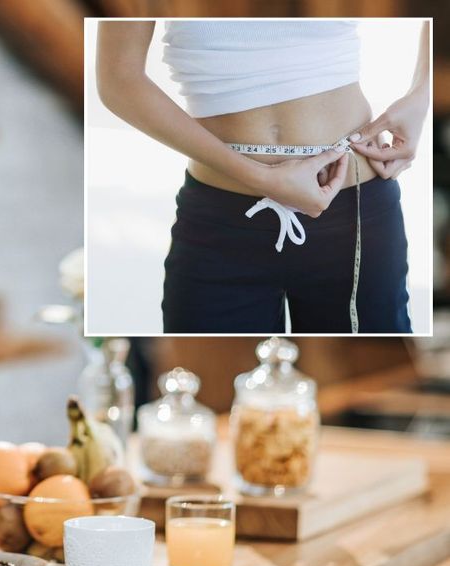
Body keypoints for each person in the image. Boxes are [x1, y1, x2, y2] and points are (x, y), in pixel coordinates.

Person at [96, 20, 429, 333]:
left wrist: (423, 92)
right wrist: (258, 177)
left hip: (352, 213)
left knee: (369, 386)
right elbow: (118, 77)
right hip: (219, 221)